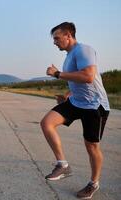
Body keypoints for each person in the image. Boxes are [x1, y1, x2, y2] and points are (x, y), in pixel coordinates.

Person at [40, 22, 110, 199]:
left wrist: (57, 74)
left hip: (95, 106)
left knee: (91, 146)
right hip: (76, 102)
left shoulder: (83, 50)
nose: (54, 42)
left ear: (68, 35)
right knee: (47, 123)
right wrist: (67, 95)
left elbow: (88, 77)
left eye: (57, 38)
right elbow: (77, 82)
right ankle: (62, 165)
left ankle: (93, 183)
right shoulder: (70, 55)